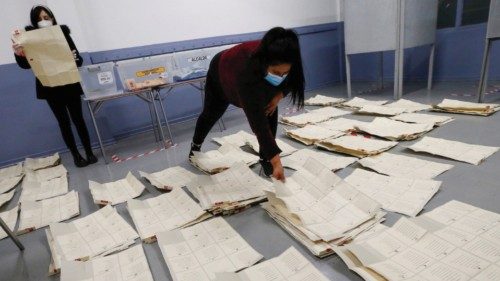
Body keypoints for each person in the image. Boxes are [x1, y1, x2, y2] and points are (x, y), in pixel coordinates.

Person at [190, 27, 305, 181]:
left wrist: (278, 96)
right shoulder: (246, 72)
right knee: (212, 113)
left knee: (269, 108)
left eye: (285, 73)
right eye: (277, 73)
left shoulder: (287, 58)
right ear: (265, 64)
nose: (281, 77)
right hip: (221, 71)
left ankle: (265, 158)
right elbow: (258, 122)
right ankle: (195, 146)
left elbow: (293, 81)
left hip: (256, 75)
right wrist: (277, 161)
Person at [12, 5, 97, 168]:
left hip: (70, 83)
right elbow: (25, 65)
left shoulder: (62, 33)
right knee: (63, 122)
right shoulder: (29, 38)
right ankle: (76, 156)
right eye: (39, 19)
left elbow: (79, 59)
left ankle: (89, 152)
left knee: (79, 119)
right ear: (34, 22)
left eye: (46, 18)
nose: (43, 21)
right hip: (49, 87)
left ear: (52, 18)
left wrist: (74, 58)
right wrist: (18, 52)